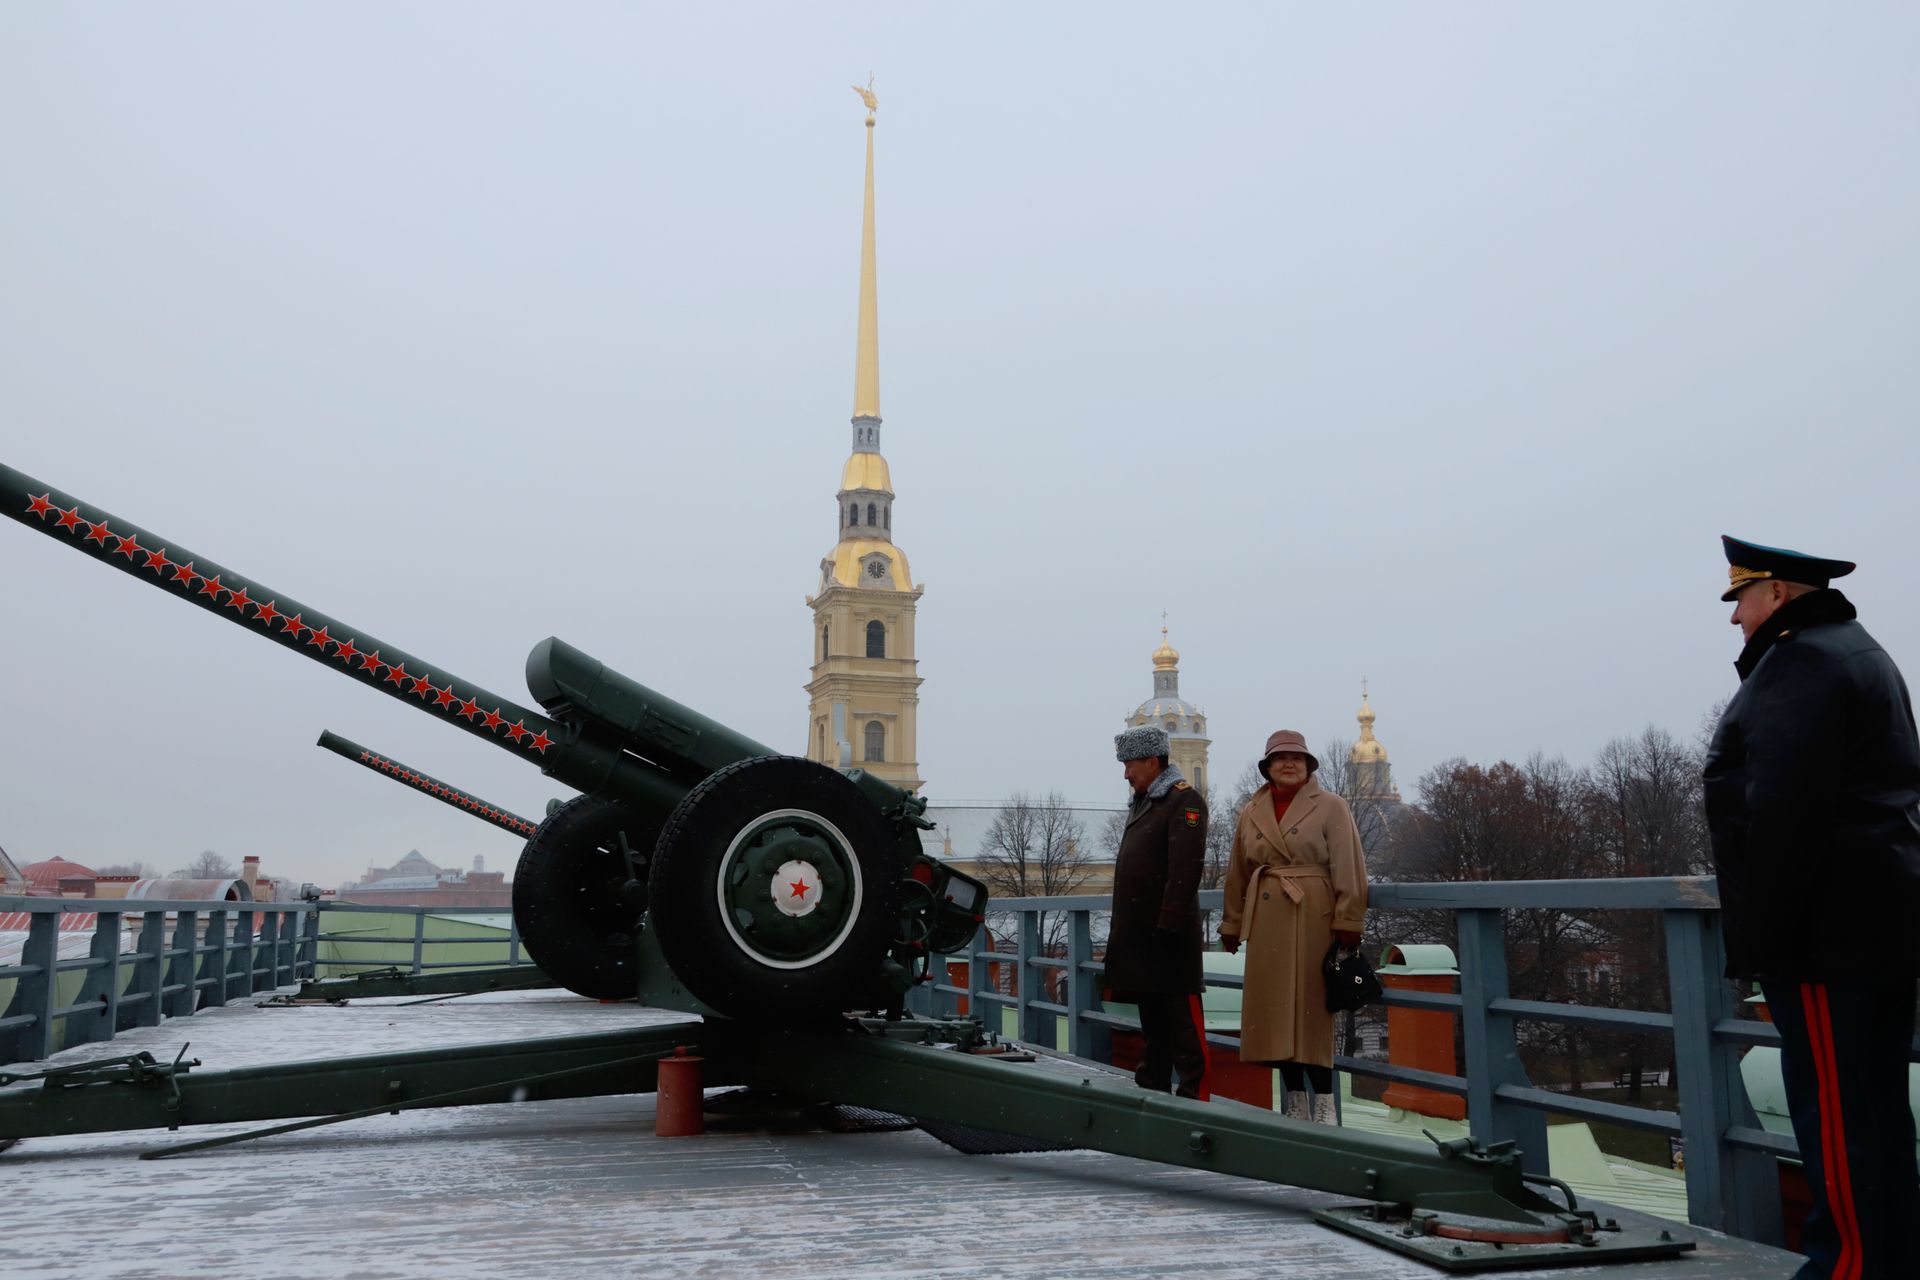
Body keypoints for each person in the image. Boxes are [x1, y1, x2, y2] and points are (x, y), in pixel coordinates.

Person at [1704, 535, 1920, 1280]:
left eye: (1742, 599)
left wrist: (1767, 938)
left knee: (1836, 1117)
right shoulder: (1857, 652)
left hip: (1828, 933)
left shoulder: (1803, 664)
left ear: (1778, 594)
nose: (1735, 619)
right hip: (1874, 918)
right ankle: (1888, 1258)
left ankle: (1847, 1269)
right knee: (1876, 1109)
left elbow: (1784, 812)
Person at [1220, 730, 1368, 1125]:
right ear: (1267, 767)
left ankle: (1324, 1101)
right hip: (1267, 919)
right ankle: (1295, 1098)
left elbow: (1349, 867)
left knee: (1310, 1010)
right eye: (1280, 758)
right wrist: (1232, 924)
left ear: (1308, 766)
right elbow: (1238, 871)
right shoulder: (1252, 810)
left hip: (1313, 916)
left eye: (1297, 758)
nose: (1289, 764)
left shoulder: (1331, 806)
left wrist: (1348, 920)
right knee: (1275, 1012)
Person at [1107, 724, 1210, 1100]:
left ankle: (1195, 1099)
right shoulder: (1146, 800)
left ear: (1152, 761)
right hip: (1143, 936)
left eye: (1129, 764)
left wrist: (1167, 924)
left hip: (1168, 937)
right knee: (1154, 1020)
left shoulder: (1184, 801)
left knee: (1182, 1024)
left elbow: (1185, 870)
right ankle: (1153, 1085)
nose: (1125, 773)